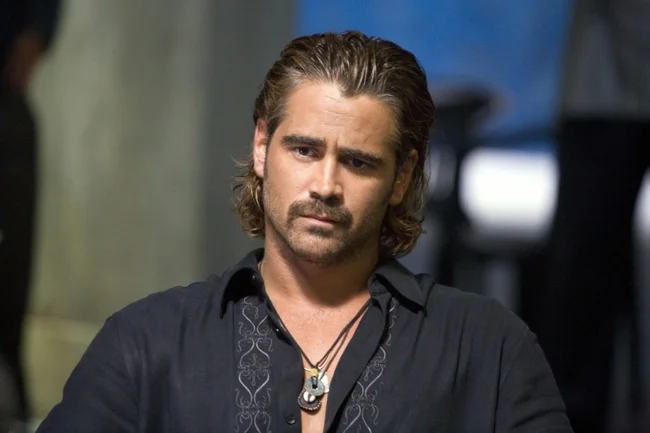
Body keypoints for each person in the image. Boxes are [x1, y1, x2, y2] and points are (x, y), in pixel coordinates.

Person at [36, 31, 573, 433]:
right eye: (305, 150)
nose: (326, 185)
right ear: (261, 147)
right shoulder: (147, 341)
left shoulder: (487, 348)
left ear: (401, 177)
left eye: (358, 162)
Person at [524, 1, 650, 432]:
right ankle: (561, 415)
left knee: (586, 267)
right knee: (582, 270)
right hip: (605, 91)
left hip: (611, 92)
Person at [0, 0, 62, 423]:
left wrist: (33, 37)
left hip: (6, 111)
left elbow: (37, 26)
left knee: (10, 268)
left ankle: (10, 395)